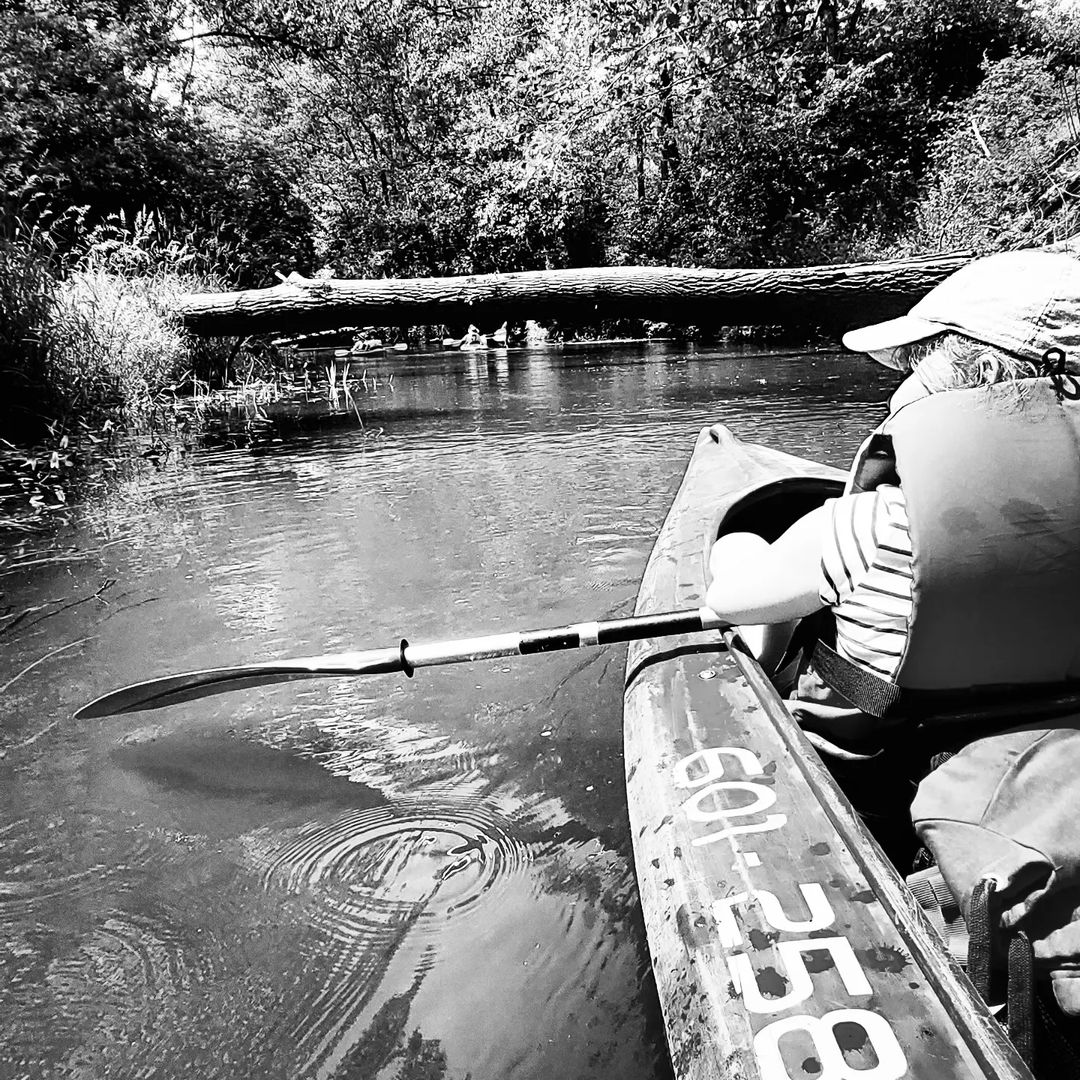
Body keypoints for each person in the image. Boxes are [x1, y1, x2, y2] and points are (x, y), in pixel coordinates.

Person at [704, 248, 1080, 1031]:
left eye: (922, 358)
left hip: (896, 778)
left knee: (761, 591)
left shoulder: (872, 524)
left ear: (979, 376)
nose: (904, 381)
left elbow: (726, 602)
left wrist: (738, 547)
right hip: (1046, 782)